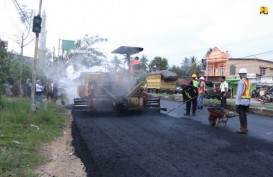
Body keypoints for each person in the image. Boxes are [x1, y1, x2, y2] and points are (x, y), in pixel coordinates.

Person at [236, 68, 252, 134]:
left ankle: (243, 129)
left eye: (240, 74)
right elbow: (250, 93)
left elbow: (239, 93)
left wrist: (237, 102)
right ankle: (245, 127)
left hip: (241, 102)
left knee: (241, 116)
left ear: (242, 75)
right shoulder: (249, 82)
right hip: (247, 101)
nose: (239, 75)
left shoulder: (241, 82)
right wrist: (249, 101)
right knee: (244, 115)